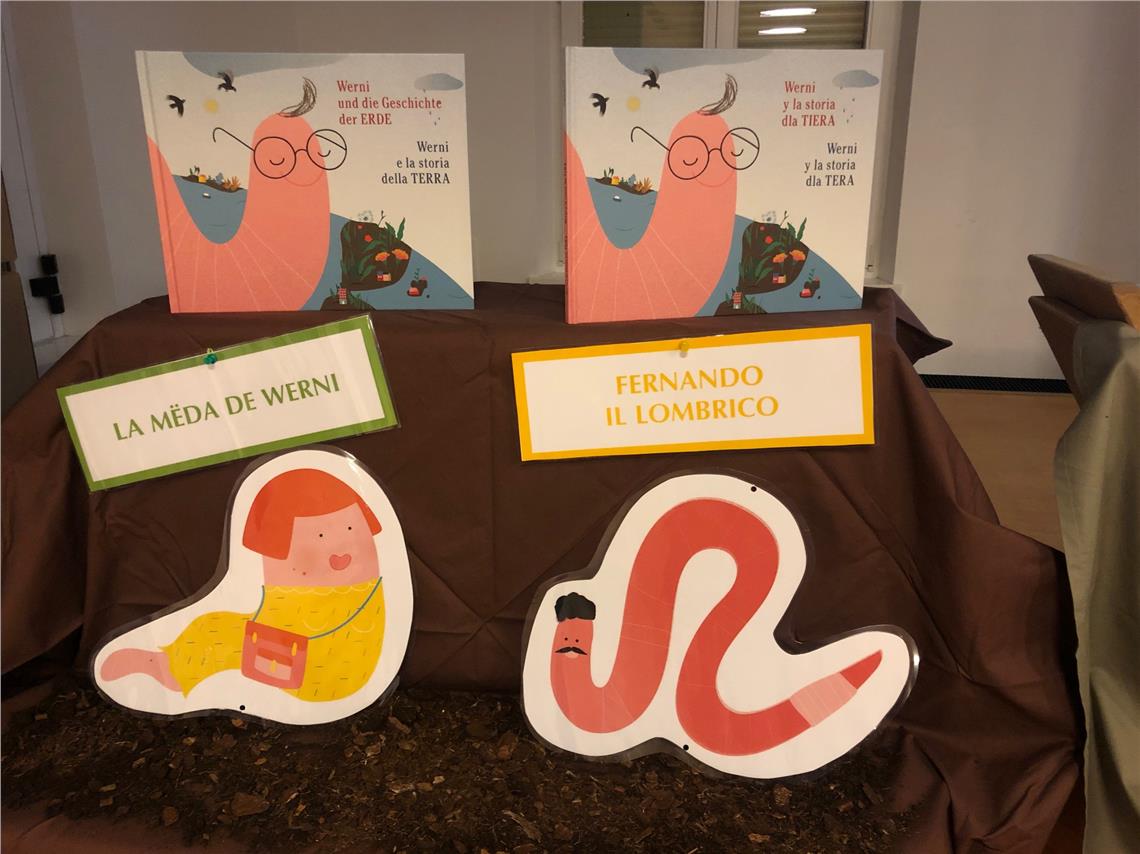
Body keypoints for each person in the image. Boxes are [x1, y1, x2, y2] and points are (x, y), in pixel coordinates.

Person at [100, 468, 387, 703]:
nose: (338, 548)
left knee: (218, 633)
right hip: (309, 652)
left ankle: (172, 671)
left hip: (324, 670)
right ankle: (170, 666)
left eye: (350, 528)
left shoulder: (356, 591)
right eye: (320, 535)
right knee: (215, 626)